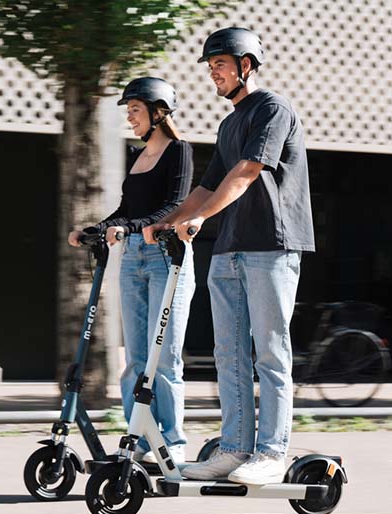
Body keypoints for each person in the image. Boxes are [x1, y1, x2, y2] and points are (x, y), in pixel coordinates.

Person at [144, 27, 315, 485]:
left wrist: (199, 220)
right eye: (211, 66)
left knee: (271, 354)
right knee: (229, 355)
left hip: (271, 247)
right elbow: (206, 186)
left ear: (246, 64)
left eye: (220, 64)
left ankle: (272, 453)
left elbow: (247, 171)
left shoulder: (272, 110)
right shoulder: (228, 124)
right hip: (230, 249)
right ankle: (235, 449)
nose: (213, 74)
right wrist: (168, 220)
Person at [68, 77, 195, 464]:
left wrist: (135, 228)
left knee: (166, 360)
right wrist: (95, 229)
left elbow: (175, 205)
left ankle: (171, 443)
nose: (130, 117)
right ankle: (139, 438)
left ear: (158, 112)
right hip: (133, 258)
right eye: (128, 111)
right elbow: (126, 210)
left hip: (167, 257)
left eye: (135, 110)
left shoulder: (179, 151)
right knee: (135, 360)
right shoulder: (139, 156)